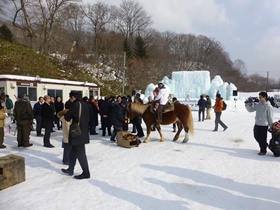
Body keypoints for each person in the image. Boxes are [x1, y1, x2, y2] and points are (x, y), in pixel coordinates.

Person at [62, 91, 90, 179]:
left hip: (76, 132)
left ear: (73, 97)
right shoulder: (85, 104)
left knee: (80, 153)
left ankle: (86, 173)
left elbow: (67, 117)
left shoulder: (75, 104)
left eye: (71, 97)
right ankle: (70, 169)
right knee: (73, 152)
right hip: (83, 131)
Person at [57, 101, 72, 165]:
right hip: (68, 134)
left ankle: (66, 159)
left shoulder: (63, 115)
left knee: (67, 147)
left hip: (65, 134)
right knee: (68, 148)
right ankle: (66, 160)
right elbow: (67, 126)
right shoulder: (67, 116)